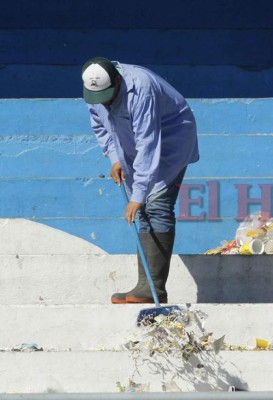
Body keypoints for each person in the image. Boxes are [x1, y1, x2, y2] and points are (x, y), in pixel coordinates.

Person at [81, 57, 199, 304]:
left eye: (109, 95)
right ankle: (144, 287)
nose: (105, 101)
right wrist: (115, 158)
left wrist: (137, 195)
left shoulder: (141, 89)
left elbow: (148, 142)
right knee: (144, 210)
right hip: (132, 147)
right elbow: (101, 127)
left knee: (156, 206)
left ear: (117, 80)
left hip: (169, 144)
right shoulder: (95, 91)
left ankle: (154, 288)